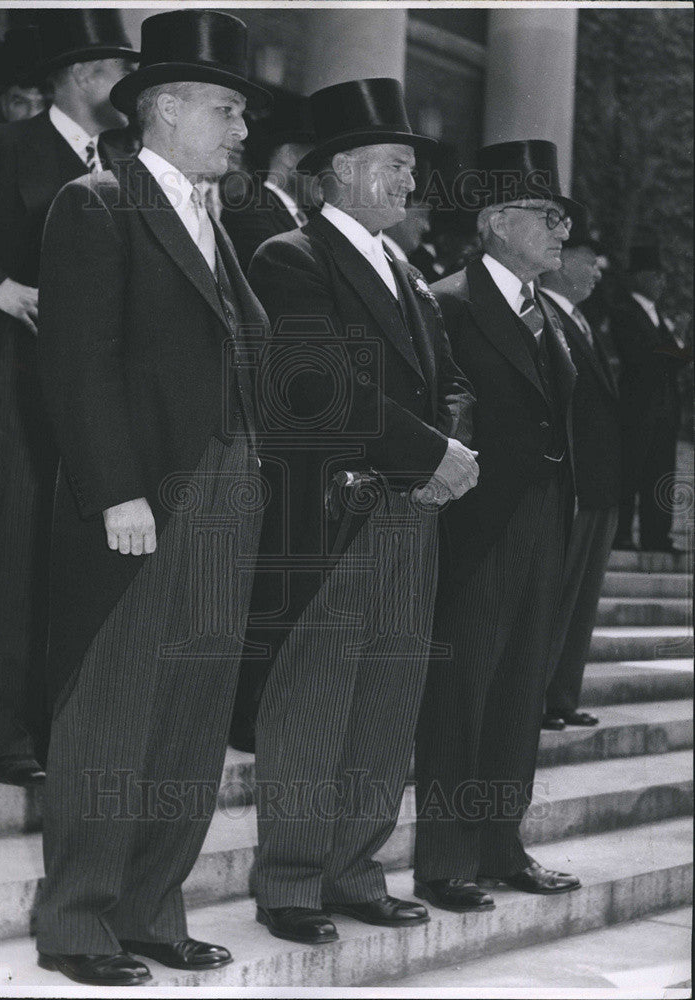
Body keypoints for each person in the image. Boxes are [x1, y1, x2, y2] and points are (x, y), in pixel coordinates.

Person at [35, 11, 270, 986]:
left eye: (242, 114)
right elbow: (77, 363)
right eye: (226, 109)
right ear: (163, 109)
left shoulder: (215, 225)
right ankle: (80, 922)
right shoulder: (96, 203)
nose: (240, 131)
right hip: (143, 506)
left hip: (225, 498)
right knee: (114, 715)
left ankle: (150, 907)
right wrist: (116, 492)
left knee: (191, 709)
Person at [246, 77, 477, 946]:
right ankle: (293, 881)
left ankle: (354, 870)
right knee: (314, 701)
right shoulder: (290, 257)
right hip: (335, 516)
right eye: (392, 165)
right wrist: (431, 453)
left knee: (386, 696)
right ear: (339, 168)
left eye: (409, 168)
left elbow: (452, 382)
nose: (407, 184)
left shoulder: (408, 274)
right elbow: (317, 383)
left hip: (411, 510)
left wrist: (447, 453)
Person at [0, 11, 138, 784]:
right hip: (15, 384)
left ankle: (66, 725)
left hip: (97, 390)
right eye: (120, 71)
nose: (131, 89)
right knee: (19, 555)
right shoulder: (4, 147)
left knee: (75, 559)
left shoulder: (126, 160)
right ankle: (8, 737)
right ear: (83, 74)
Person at [415, 140, 582, 913]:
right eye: (547, 218)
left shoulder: (556, 314)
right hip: (476, 522)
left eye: (562, 219)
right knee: (463, 688)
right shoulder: (443, 300)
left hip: (548, 520)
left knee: (521, 689)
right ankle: (446, 859)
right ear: (496, 222)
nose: (561, 232)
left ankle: (500, 843)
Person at [538, 206, 622, 730]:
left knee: (582, 601)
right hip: (572, 484)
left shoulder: (584, 322)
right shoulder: (544, 315)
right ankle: (538, 698)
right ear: (563, 262)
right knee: (557, 597)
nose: (597, 271)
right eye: (589, 260)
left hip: (599, 486)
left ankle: (561, 695)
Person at [614, 244, 690, 552]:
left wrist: (677, 342)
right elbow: (640, 357)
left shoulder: (658, 316)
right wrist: (674, 346)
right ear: (639, 277)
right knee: (630, 471)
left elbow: (679, 357)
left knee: (661, 474)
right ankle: (621, 535)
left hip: (663, 410)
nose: (661, 281)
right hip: (636, 409)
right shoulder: (623, 312)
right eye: (655, 275)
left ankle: (656, 536)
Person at [222, 88, 318, 274]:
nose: (327, 171)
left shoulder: (307, 218)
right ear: (289, 156)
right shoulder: (249, 212)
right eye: (318, 158)